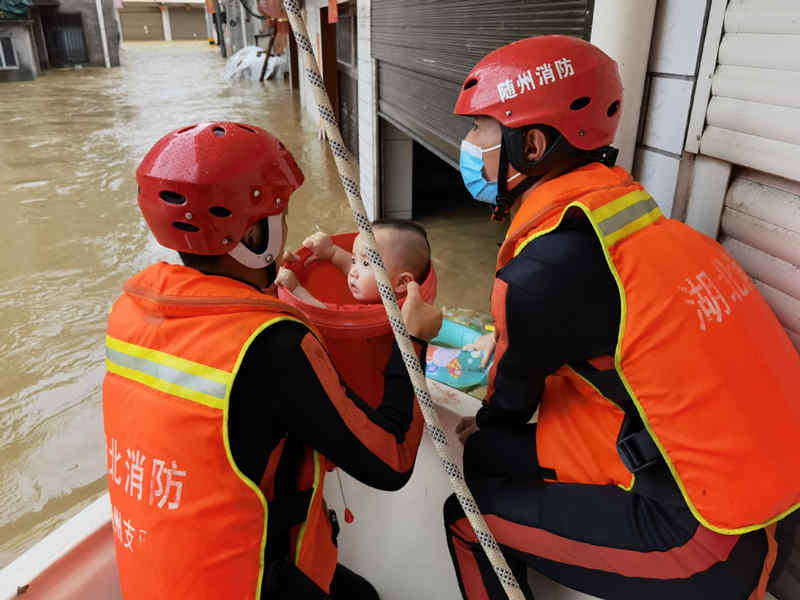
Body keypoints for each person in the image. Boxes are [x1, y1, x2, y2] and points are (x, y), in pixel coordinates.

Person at [442, 36, 800, 600]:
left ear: (530, 144)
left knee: (465, 516)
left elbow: (508, 407)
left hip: (700, 539)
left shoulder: (537, 275)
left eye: (481, 129)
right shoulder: (660, 235)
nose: (468, 144)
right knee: (486, 454)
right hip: (736, 493)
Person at [102, 122, 442, 600]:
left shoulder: (130, 311)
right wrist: (415, 340)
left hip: (158, 577)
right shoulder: (271, 342)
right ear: (256, 231)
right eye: (278, 211)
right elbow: (392, 461)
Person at [276, 219, 431, 307]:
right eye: (354, 260)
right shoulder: (398, 293)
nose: (353, 271)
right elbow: (354, 267)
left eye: (365, 264)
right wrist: (331, 251)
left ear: (402, 282)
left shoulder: (395, 313)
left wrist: (295, 287)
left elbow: (325, 312)